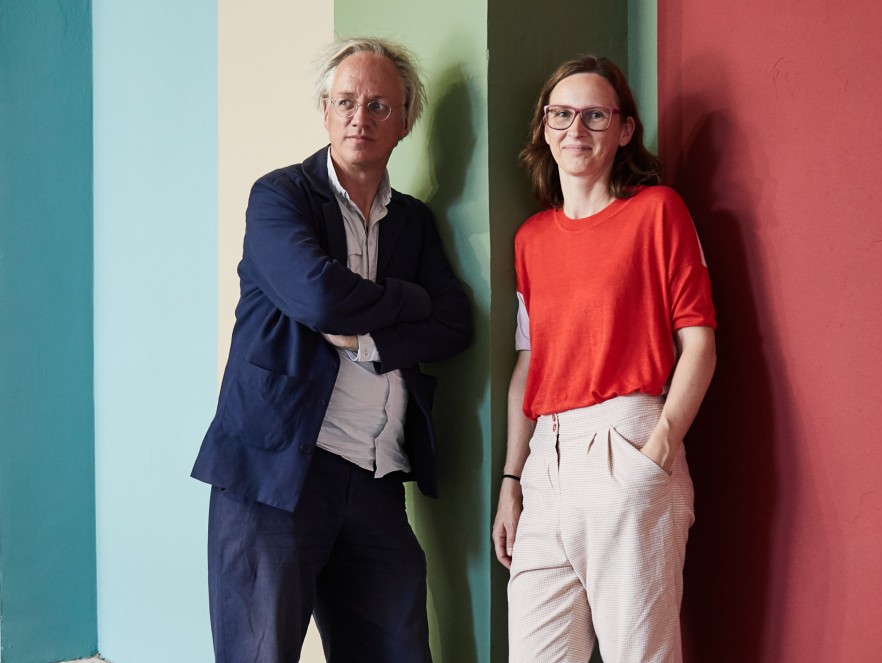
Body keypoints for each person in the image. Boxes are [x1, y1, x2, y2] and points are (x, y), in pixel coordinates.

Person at [192, 37, 472, 663]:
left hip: (375, 478)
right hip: (275, 474)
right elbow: (319, 298)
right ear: (324, 111)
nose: (359, 117)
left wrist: (369, 338)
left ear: (404, 122)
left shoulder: (414, 222)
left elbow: (455, 323)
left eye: (378, 105)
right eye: (345, 101)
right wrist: (409, 298)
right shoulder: (279, 196)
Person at [491, 55, 717, 663]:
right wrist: (512, 480)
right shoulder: (531, 239)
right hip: (545, 465)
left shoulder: (658, 212)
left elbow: (699, 345)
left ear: (624, 130)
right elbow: (529, 365)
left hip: (628, 443)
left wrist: (658, 452)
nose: (576, 129)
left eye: (595, 115)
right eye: (561, 114)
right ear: (544, 128)